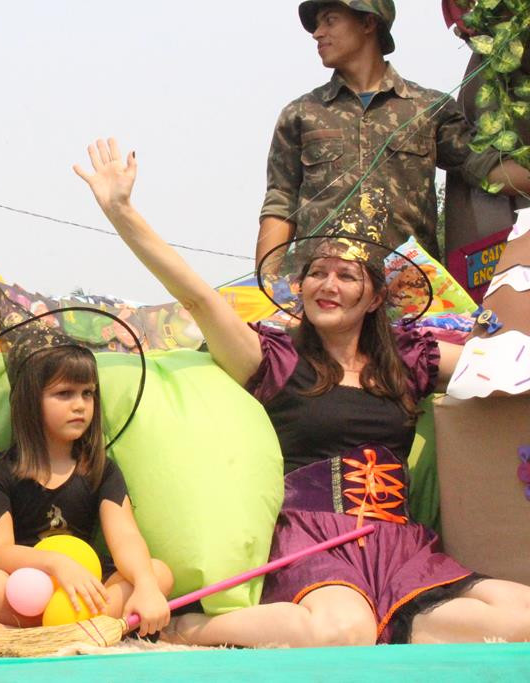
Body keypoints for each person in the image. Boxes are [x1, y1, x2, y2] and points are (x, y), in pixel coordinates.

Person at [76, 137, 530, 646]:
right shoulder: (275, 359)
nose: (326, 285)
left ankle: (400, 626)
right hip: (311, 540)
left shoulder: (411, 358)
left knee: (522, 614)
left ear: (376, 295)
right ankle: (191, 627)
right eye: (316, 272)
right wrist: (122, 212)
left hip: (400, 547)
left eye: (345, 275)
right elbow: (199, 297)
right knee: (343, 630)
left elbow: (509, 364)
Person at [0, 298, 173, 638]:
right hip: (26, 588)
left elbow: (126, 535)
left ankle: (32, 633)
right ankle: (84, 630)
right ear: (30, 401)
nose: (80, 406)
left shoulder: (101, 469)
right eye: (64, 394)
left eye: (87, 394)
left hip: (87, 590)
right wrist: (56, 564)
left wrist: (146, 585)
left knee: (158, 573)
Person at [258, 0, 530, 264]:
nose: (317, 33)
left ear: (368, 22)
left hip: (408, 292)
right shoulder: (301, 113)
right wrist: (266, 283)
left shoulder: (429, 108)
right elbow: (281, 204)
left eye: (330, 20)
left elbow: (483, 168)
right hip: (325, 292)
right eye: (317, 25)